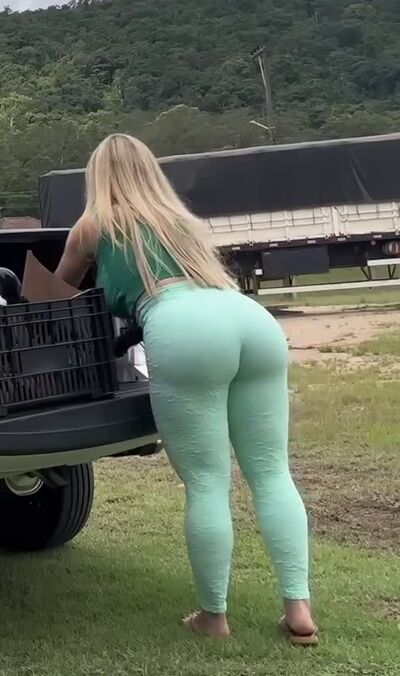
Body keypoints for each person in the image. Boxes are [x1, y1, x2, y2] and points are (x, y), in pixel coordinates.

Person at [55, 133, 318, 644]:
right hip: (249, 320)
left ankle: (214, 617)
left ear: (98, 176)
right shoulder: (183, 223)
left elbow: (57, 292)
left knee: (207, 482)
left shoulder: (95, 224)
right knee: (271, 473)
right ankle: (299, 609)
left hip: (183, 328)